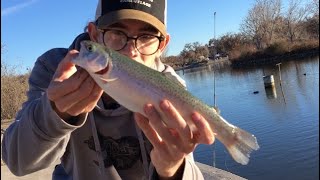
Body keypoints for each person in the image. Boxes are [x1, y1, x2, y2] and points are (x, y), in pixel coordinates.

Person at [2, 0, 215, 179]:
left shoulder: (171, 89)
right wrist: (54, 113)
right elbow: (18, 162)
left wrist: (172, 170)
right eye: (117, 33)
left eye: (147, 37)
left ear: (162, 44)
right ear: (94, 34)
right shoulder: (55, 70)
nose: (131, 52)